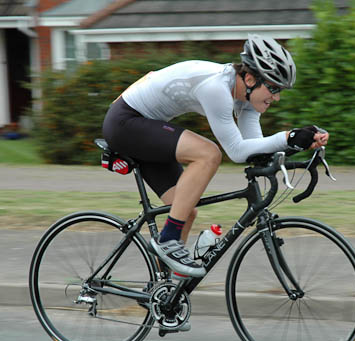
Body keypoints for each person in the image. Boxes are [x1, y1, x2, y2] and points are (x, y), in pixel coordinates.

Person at [102, 34, 329, 278]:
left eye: (280, 90)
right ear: (250, 79)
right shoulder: (216, 88)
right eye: (273, 88)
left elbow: (253, 146)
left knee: (185, 210)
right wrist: (288, 137)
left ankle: (164, 293)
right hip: (126, 122)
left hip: (147, 126)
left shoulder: (245, 97)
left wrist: (298, 143)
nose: (276, 97)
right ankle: (167, 240)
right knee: (209, 154)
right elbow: (236, 151)